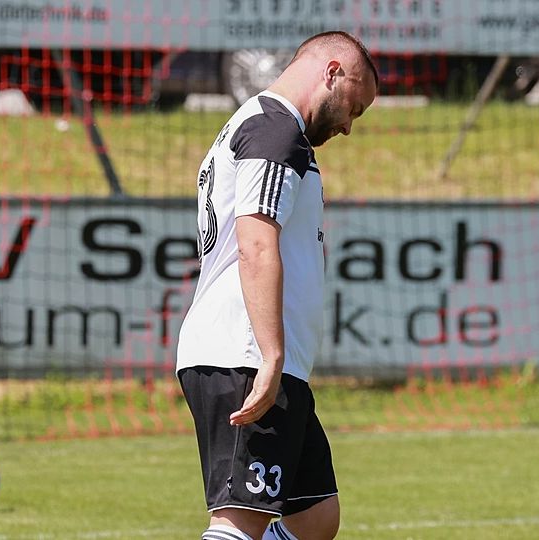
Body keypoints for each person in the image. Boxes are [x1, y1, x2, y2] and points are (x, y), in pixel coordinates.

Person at [176, 31, 377, 540]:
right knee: (238, 523)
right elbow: (257, 243)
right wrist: (270, 356)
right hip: (246, 354)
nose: (349, 126)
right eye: (354, 107)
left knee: (316, 518)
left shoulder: (267, 128)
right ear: (332, 72)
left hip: (264, 360)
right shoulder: (274, 130)